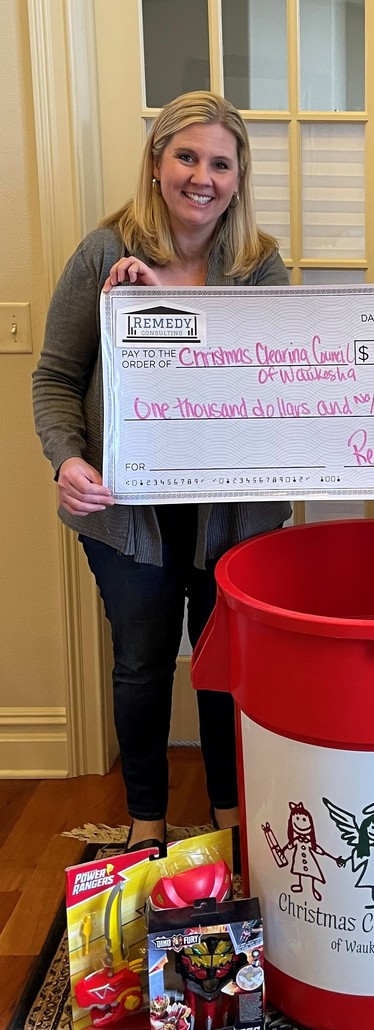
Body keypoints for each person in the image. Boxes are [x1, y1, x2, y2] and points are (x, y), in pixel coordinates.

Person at [33, 91, 291, 852]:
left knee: (223, 661)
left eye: (220, 162)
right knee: (142, 662)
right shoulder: (103, 254)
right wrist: (69, 459)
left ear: (239, 176)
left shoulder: (258, 264)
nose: (201, 177)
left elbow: (279, 374)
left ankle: (228, 818)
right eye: (186, 156)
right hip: (127, 514)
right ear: (156, 162)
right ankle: (146, 822)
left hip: (232, 515)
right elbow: (54, 375)